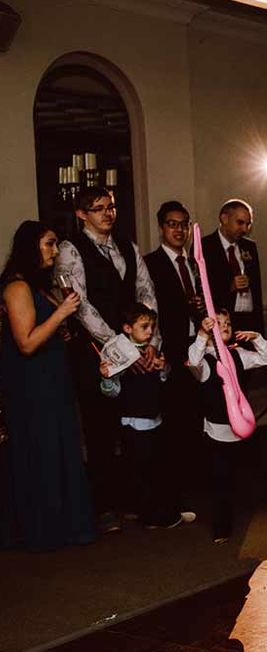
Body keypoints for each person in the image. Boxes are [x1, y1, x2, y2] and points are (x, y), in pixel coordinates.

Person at [55, 187, 161, 534]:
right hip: (95, 353)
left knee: (129, 427)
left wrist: (148, 339)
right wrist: (122, 348)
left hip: (135, 343)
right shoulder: (71, 249)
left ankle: (133, 499)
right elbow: (81, 305)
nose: (107, 213)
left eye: (111, 207)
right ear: (82, 214)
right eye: (98, 208)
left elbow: (146, 292)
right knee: (100, 430)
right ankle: (102, 506)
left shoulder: (128, 246)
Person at [0, 221, 95, 551]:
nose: (55, 252)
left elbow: (43, 331)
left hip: (52, 381)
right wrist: (62, 314)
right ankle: (44, 531)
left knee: (60, 449)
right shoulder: (16, 287)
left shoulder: (38, 286)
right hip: (32, 386)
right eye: (49, 245)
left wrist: (61, 329)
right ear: (31, 247)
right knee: (41, 452)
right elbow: (25, 343)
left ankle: (67, 526)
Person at [98, 304, 194, 529]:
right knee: (141, 470)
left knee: (157, 467)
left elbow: (161, 380)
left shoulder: (151, 350)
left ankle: (160, 510)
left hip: (154, 417)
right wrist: (106, 377)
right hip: (133, 421)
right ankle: (152, 516)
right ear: (127, 328)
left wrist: (163, 368)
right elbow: (112, 392)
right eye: (144, 326)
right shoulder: (119, 353)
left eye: (152, 326)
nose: (150, 331)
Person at [187, 309, 267, 543]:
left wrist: (256, 338)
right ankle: (221, 527)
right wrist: (203, 335)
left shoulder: (239, 354)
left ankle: (250, 510)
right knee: (220, 481)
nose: (224, 326)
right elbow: (192, 362)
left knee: (246, 473)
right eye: (218, 323)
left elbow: (266, 358)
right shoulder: (205, 360)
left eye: (228, 323)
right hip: (217, 432)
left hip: (241, 429)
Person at [144, 201, 204, 497]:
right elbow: (150, 311)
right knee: (175, 418)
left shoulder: (195, 262)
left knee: (198, 414)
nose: (179, 230)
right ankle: (176, 485)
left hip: (199, 347)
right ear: (161, 228)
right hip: (171, 349)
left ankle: (197, 478)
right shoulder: (150, 263)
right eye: (172, 224)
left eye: (183, 224)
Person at [201, 199, 264, 335]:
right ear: (224, 218)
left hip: (249, 321)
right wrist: (229, 286)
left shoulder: (249, 247)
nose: (245, 229)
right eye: (240, 223)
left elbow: (257, 290)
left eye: (248, 224)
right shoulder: (205, 247)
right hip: (222, 323)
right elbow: (201, 289)